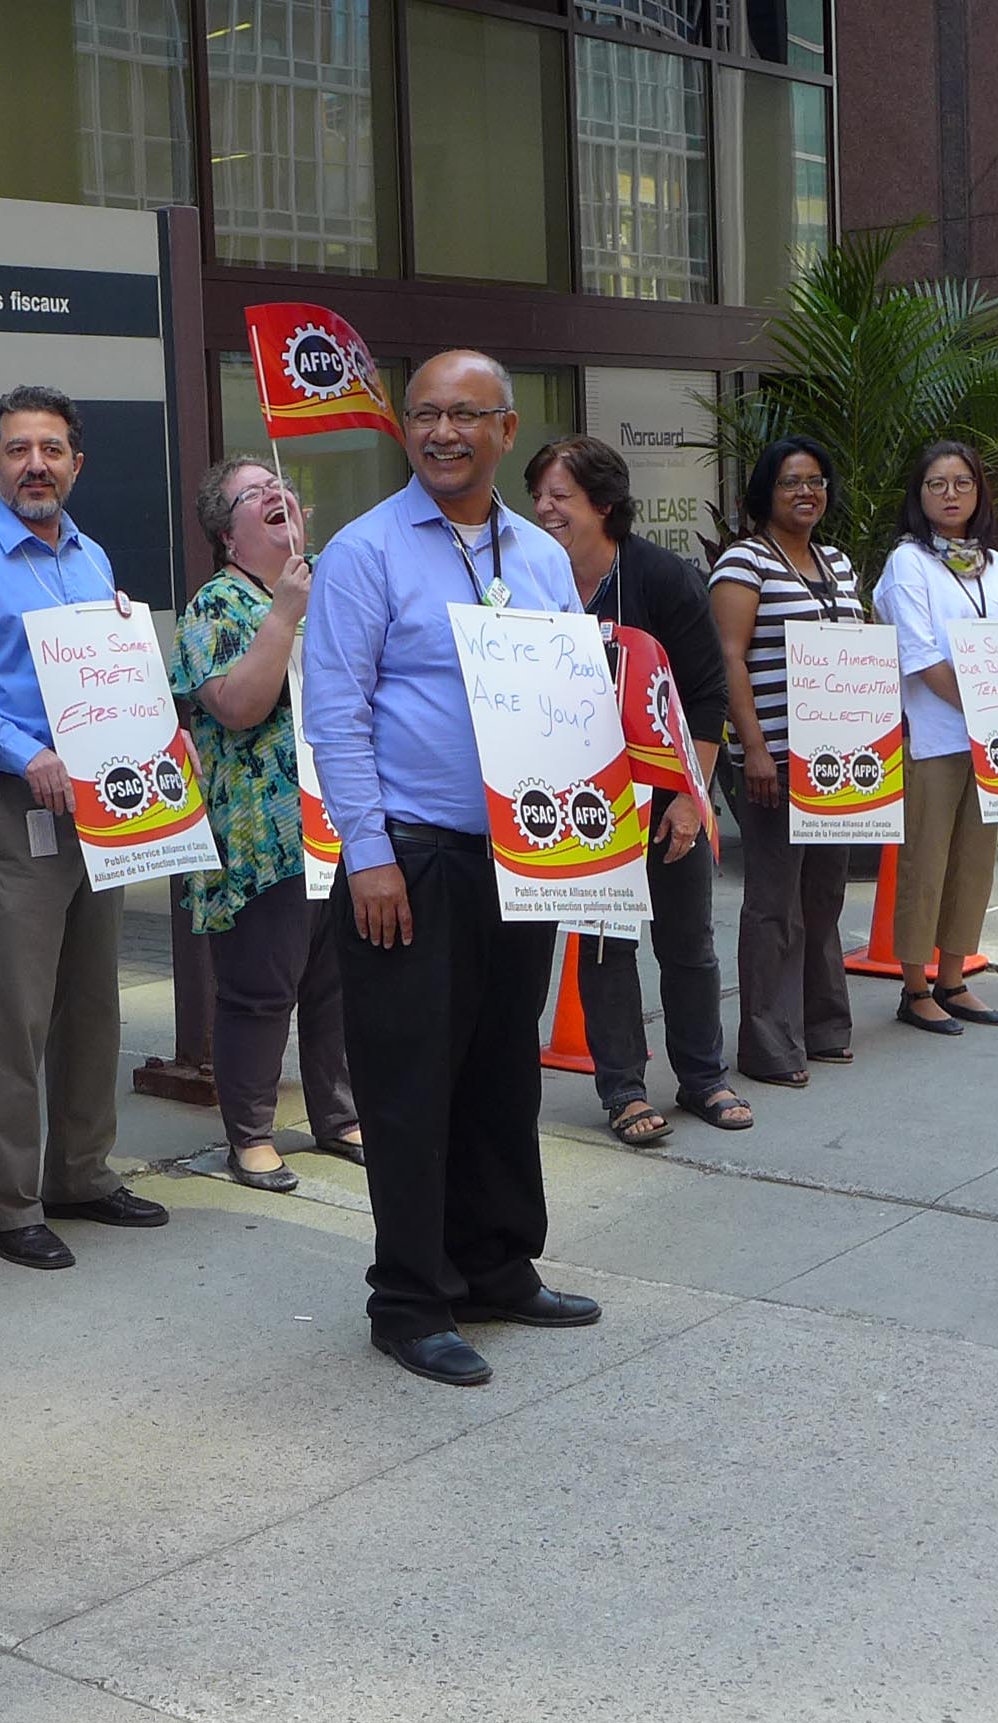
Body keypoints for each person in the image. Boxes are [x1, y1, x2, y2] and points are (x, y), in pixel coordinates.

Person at [302, 351, 604, 1390]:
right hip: (411, 859)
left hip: (522, 854)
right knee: (408, 1087)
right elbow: (334, 714)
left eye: (465, 415)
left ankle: (496, 1267)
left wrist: (584, 846)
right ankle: (410, 1300)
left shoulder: (543, 555)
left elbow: (570, 696)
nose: (442, 432)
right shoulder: (363, 552)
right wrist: (368, 856)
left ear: (506, 430)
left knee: (500, 1071)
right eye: (425, 413)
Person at [0, 385, 170, 1268]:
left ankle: (79, 1172)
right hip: (13, 804)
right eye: (16, 449)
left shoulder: (90, 556)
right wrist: (22, 749)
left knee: (91, 1002)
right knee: (10, 1011)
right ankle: (5, 1205)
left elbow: (110, 675)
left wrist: (155, 726)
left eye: (50, 450)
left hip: (101, 804)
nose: (34, 465)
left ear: (76, 463)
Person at [523, 436, 752, 1144]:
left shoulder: (660, 576)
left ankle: (703, 1077)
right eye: (538, 496)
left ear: (604, 503)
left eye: (560, 496)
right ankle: (621, 1090)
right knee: (603, 945)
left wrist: (690, 797)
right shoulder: (527, 577)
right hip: (581, 797)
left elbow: (707, 694)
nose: (544, 509)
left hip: (665, 789)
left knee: (687, 942)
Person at [168, 457, 360, 1193]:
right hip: (263, 836)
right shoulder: (216, 604)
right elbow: (238, 706)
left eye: (281, 487)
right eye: (255, 493)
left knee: (337, 983)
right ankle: (249, 1134)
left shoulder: (329, 590)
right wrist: (281, 615)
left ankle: (338, 1114)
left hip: (338, 821)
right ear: (227, 534)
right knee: (261, 989)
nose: (277, 492)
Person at [711, 436, 869, 1087]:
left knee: (824, 895)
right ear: (765, 492)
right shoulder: (745, 561)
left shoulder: (838, 562)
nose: (806, 492)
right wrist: (752, 747)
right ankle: (767, 1044)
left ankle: (823, 1025)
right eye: (790, 482)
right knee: (774, 903)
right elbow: (728, 657)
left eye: (815, 481)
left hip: (838, 762)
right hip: (773, 758)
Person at [872, 441, 998, 1034]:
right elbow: (919, 655)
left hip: (995, 741)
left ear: (979, 492)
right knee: (925, 862)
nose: (951, 494)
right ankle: (915, 989)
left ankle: (953, 980)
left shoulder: (995, 564)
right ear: (919, 495)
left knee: (975, 862)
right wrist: (985, 705)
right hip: (933, 737)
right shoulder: (908, 563)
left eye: (962, 483)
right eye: (937, 484)